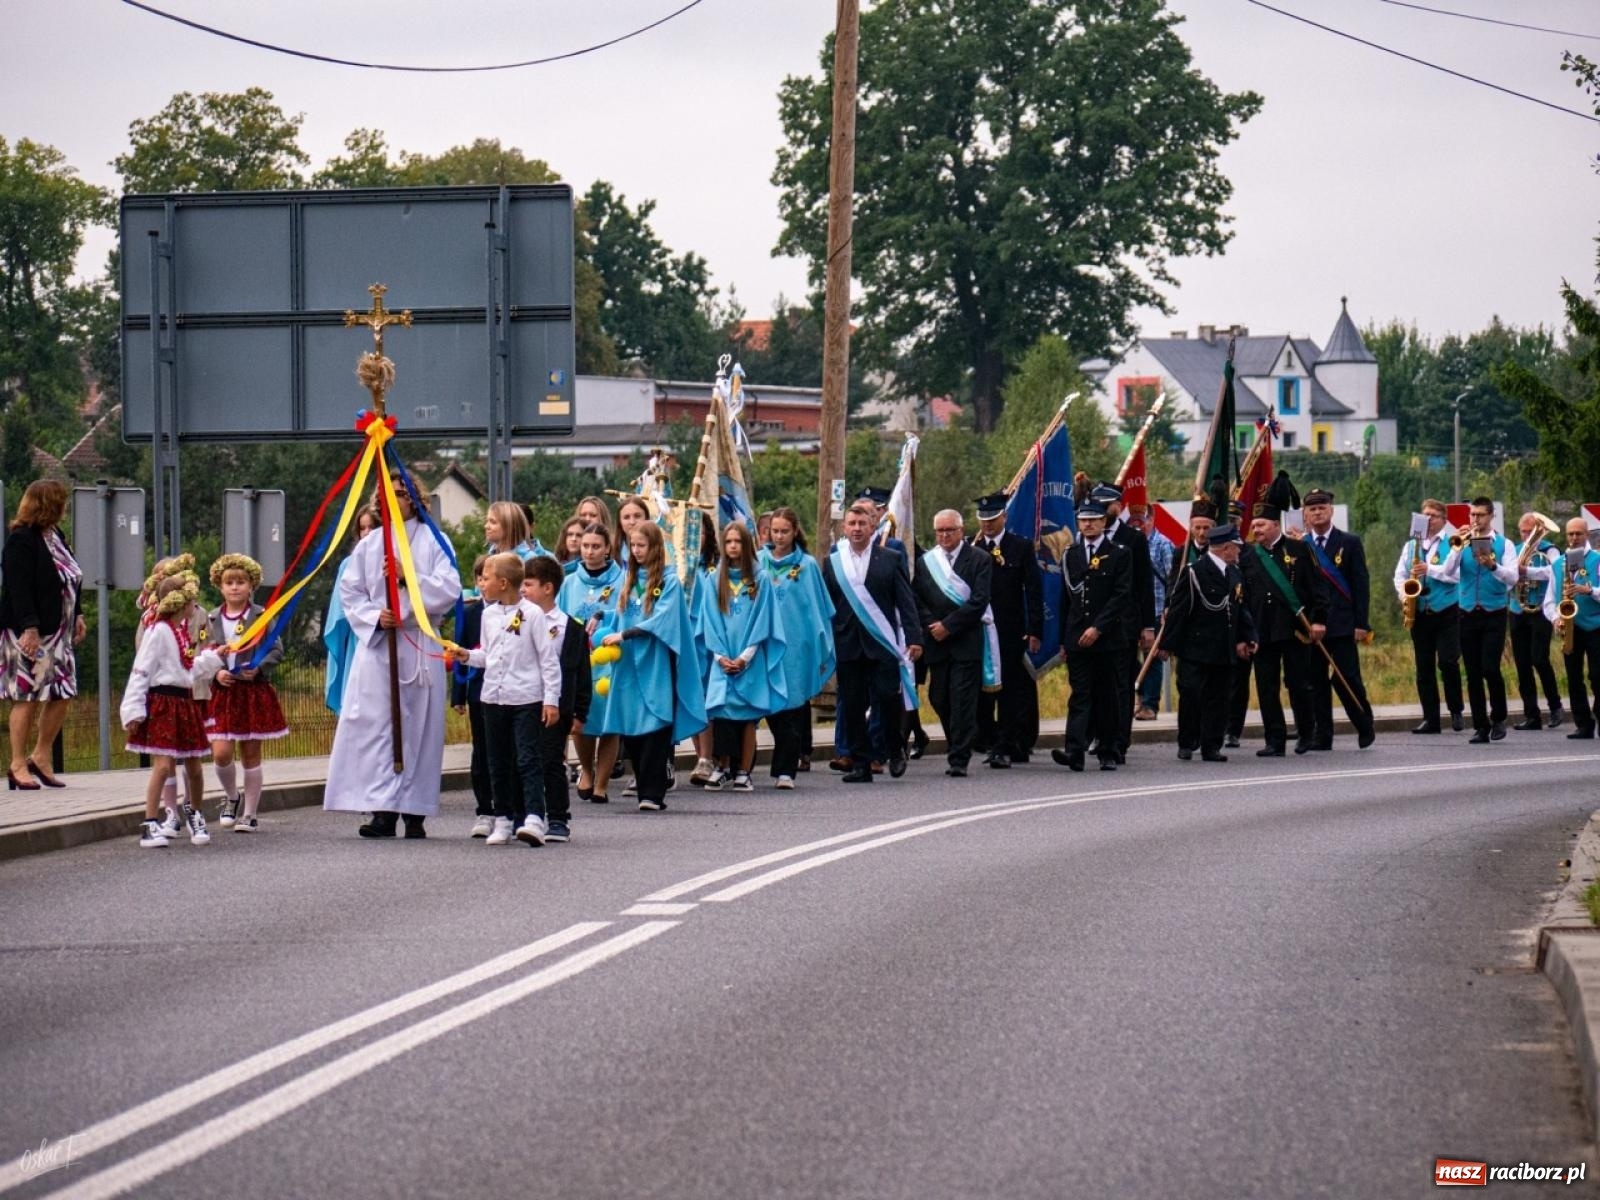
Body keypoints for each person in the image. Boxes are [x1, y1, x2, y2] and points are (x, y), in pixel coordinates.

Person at [323, 484, 461, 839]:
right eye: (387, 494)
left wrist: (406, 577)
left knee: (419, 726)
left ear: (415, 500)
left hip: (417, 642)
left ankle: (415, 812)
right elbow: (350, 591)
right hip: (380, 646)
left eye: (401, 493)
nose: (393, 500)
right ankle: (382, 809)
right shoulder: (369, 544)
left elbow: (449, 588)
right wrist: (374, 616)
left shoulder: (434, 540)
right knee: (377, 727)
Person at [449, 553, 561, 846]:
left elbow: (547, 660)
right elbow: (489, 655)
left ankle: (535, 817)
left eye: (485, 578)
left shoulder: (533, 614)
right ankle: (503, 818)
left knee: (527, 758)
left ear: (503, 582)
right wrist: (467, 656)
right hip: (493, 698)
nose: (481, 584)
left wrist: (551, 700)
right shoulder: (487, 615)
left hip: (525, 697)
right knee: (495, 760)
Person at [594, 522, 706, 812]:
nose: (637, 551)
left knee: (655, 724)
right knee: (630, 725)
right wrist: (601, 616)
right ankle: (643, 785)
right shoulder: (628, 578)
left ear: (656, 547)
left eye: (642, 545)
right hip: (628, 664)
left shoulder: (669, 582)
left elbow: (664, 618)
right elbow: (623, 612)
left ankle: (653, 793)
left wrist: (626, 634)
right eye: (633, 545)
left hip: (655, 661)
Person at [821, 502, 923, 784]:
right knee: (852, 706)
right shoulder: (833, 563)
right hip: (848, 644)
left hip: (882, 643)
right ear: (844, 528)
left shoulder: (889, 558)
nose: (856, 529)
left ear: (871, 527)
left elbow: (906, 601)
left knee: (888, 700)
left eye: (861, 524)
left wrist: (914, 637)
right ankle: (861, 763)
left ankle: (895, 747)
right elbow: (826, 605)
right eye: (851, 524)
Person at [122, 574, 224, 848]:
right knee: (164, 765)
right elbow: (141, 670)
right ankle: (150, 823)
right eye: (192, 601)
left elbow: (187, 669)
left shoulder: (179, 630)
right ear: (182, 603)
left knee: (194, 764)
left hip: (185, 702)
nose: (195, 605)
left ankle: (196, 813)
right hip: (163, 703)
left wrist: (215, 657)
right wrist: (133, 709)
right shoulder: (158, 631)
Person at [0, 480, 86, 790]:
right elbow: (18, 588)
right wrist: (30, 627)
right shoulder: (21, 540)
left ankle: (42, 754)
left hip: (59, 634)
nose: (65, 508)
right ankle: (17, 763)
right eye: (62, 502)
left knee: (62, 693)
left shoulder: (55, 537)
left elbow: (71, 577)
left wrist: (78, 613)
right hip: (29, 633)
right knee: (27, 696)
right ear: (49, 505)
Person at [1239, 473, 1329, 757]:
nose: (1256, 529)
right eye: (1254, 525)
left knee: (1299, 684)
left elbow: (1317, 589)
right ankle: (1274, 740)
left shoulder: (1299, 549)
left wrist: (1318, 620)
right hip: (1262, 631)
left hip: (1294, 629)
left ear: (1275, 525)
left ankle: (1305, 733)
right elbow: (1243, 598)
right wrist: (1245, 633)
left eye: (1261, 524)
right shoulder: (1248, 556)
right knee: (1266, 688)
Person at [694, 521, 786, 791]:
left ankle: (744, 771)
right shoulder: (715, 578)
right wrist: (720, 656)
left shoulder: (760, 578)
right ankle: (722, 766)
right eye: (729, 542)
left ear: (747, 545)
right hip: (722, 658)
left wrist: (746, 656)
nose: (733, 546)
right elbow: (709, 620)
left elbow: (763, 620)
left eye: (738, 542)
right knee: (722, 714)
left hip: (749, 658)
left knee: (747, 717)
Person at [1159, 522, 1256, 762]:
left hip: (1223, 647)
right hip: (1196, 647)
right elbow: (1179, 610)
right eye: (1236, 547)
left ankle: (1211, 745)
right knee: (1191, 693)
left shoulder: (1234, 573)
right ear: (1225, 548)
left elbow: (1239, 609)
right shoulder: (1194, 572)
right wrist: (1167, 644)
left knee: (1219, 698)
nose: (1239, 551)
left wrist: (1248, 637)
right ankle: (1187, 740)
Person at [204, 554, 287, 832]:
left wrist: (259, 669)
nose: (235, 587)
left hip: (251, 692)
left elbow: (276, 649)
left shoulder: (262, 616)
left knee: (251, 753)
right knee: (221, 753)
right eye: (229, 582)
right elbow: (202, 651)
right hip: (222, 693)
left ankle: (250, 813)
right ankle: (231, 796)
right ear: (220, 586)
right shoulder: (211, 617)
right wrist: (216, 672)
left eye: (241, 582)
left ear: (251, 586)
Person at [1427, 496, 1516, 744]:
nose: (1475, 519)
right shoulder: (1461, 540)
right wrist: (1458, 547)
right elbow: (1446, 571)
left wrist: (1493, 566)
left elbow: (1513, 578)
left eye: (1480, 515)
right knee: (1473, 671)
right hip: (1466, 612)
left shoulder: (1504, 544)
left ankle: (1499, 717)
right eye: (1472, 515)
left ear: (1491, 517)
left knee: (1490, 667)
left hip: (1494, 612)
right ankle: (1481, 725)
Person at [912, 508, 994, 777]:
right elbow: (917, 598)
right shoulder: (926, 562)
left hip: (965, 640)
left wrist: (950, 626)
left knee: (962, 700)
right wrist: (933, 625)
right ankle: (958, 739)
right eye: (940, 531)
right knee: (939, 697)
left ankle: (959, 756)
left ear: (961, 531)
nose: (945, 535)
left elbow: (979, 601)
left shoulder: (979, 559)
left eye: (950, 530)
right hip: (936, 640)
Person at [1051, 499, 1131, 772]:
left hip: (1107, 638)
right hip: (1076, 638)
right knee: (1080, 694)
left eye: (1094, 519)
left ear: (1104, 522)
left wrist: (1098, 628)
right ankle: (1075, 750)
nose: (1088, 524)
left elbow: (1121, 596)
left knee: (1107, 695)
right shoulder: (1071, 554)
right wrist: (1063, 639)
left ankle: (1108, 750)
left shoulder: (1119, 553)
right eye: (1084, 520)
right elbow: (1066, 599)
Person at [759, 507, 834, 789]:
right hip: (764, 643)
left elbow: (817, 608)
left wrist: (819, 644)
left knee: (791, 706)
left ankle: (785, 770)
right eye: (774, 531)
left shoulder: (807, 565)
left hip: (795, 646)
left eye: (784, 531)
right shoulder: (758, 561)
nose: (779, 536)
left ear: (795, 532)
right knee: (768, 704)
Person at [1295, 487, 1375, 750]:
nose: (1317, 513)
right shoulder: (1299, 545)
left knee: (1347, 677)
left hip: (1342, 623)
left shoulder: (1349, 542)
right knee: (1315, 681)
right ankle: (1323, 735)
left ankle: (1364, 725)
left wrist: (1362, 623)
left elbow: (1361, 584)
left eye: (1322, 508)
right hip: (1313, 625)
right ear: (1305, 514)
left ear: (1331, 510)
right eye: (1312, 509)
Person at [970, 491, 1042, 768]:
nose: (987, 524)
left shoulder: (1020, 547)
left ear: (1004, 517)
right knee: (983, 693)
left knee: (1010, 692)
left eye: (993, 518)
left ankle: (1007, 744)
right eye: (983, 519)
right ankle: (989, 739)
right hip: (978, 632)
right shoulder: (972, 547)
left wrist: (1035, 629)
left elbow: (1033, 591)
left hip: (1009, 631)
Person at [559, 524, 625, 804]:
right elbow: (560, 618)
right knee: (580, 721)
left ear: (608, 548)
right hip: (579, 660)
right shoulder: (570, 582)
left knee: (609, 722)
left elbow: (624, 612)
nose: (589, 551)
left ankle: (601, 782)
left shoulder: (622, 579)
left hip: (609, 659)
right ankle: (586, 769)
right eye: (585, 546)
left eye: (596, 546)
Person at [525, 555, 589, 843]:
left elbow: (580, 672)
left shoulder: (568, 626)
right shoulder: (518, 619)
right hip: (523, 701)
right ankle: (528, 815)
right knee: (526, 761)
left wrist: (579, 712)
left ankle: (559, 818)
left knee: (551, 761)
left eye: (529, 584)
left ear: (548, 588)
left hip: (556, 706)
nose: (523, 590)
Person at [1393, 498, 1466, 734]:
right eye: (1425, 515)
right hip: (1420, 611)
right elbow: (1400, 575)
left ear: (1443, 520)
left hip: (1446, 610)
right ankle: (1431, 718)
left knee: (1447, 662)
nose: (1428, 519)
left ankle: (1456, 711)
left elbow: (1455, 576)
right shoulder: (1411, 546)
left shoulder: (1454, 542)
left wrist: (1429, 569)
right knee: (1423, 668)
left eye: (1433, 515)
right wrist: (1406, 596)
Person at [1095, 483, 1155, 763]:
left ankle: (1120, 739)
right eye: (1099, 503)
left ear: (1119, 506)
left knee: (1121, 683)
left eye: (1108, 504)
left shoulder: (1133, 538)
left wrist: (1147, 626)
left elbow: (1144, 584)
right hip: (1096, 623)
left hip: (1125, 623)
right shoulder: (1090, 537)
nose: (1104, 510)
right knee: (1098, 683)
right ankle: (1100, 735)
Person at [1544, 518, 1600, 739]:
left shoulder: (1597, 560)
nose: (1574, 538)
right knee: (1574, 677)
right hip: (1570, 626)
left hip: (1596, 626)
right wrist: (1556, 618)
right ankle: (1583, 724)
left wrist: (1589, 591)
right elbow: (1548, 600)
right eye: (1570, 534)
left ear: (1587, 534)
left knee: (1597, 675)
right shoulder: (1558, 564)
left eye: (1578, 533)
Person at [1508, 512, 1564, 730]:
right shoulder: (1514, 549)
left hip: (1540, 609)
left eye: (1529, 531)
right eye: (1522, 531)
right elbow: (1508, 575)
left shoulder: (1550, 550)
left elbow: (1553, 572)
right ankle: (1531, 714)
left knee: (1539, 658)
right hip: (1518, 609)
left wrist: (1526, 571)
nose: (1525, 536)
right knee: (1522, 664)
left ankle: (1555, 706)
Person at [453, 557, 495, 838]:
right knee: (481, 750)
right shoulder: (470, 614)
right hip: (478, 689)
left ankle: (511, 807)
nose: (484, 582)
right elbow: (461, 652)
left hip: (510, 691)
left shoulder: (517, 612)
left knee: (507, 751)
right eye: (480, 577)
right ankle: (484, 810)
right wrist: (458, 693)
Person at [323, 505, 380, 714]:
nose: (366, 533)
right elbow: (341, 610)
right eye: (362, 528)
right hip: (359, 640)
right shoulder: (349, 564)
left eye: (372, 527)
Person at [1131, 503, 1175, 721]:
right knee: (1130, 658)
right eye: (1136, 520)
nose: (1140, 524)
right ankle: (1138, 696)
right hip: (1134, 613)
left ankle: (1150, 705)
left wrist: (1169, 611)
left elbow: (1172, 581)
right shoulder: (1129, 544)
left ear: (1151, 519)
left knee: (1153, 658)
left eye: (1143, 519)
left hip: (1158, 611)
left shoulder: (1162, 545)